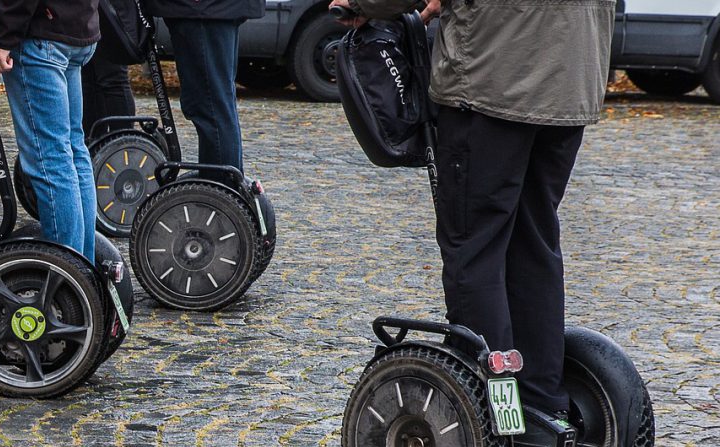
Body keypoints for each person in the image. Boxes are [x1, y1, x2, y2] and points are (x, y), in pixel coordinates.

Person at [332, 0, 615, 420]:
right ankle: (543, 403)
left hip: (492, 80)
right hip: (571, 76)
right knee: (532, 241)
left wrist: (364, 5)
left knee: (474, 247)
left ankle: (499, 415)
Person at [0, 0, 100, 262]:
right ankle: (83, 267)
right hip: (76, 25)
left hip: (43, 32)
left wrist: (4, 35)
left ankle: (68, 273)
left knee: (52, 158)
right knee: (72, 150)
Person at [146, 0, 263, 175]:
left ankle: (220, 191)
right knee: (216, 105)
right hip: (204, 9)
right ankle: (223, 189)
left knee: (212, 108)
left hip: (203, 9)